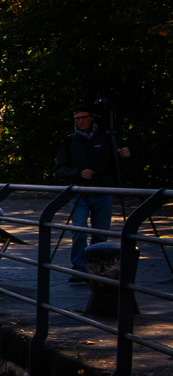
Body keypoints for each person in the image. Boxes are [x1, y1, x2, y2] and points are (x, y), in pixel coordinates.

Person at [55, 104, 130, 280]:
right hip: (80, 192)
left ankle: (98, 268)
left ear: (92, 118)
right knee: (79, 230)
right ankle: (79, 269)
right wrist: (78, 173)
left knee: (100, 233)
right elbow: (61, 168)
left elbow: (117, 167)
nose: (80, 121)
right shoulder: (68, 141)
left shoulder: (107, 138)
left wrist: (124, 157)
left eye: (84, 117)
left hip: (103, 191)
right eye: (77, 118)